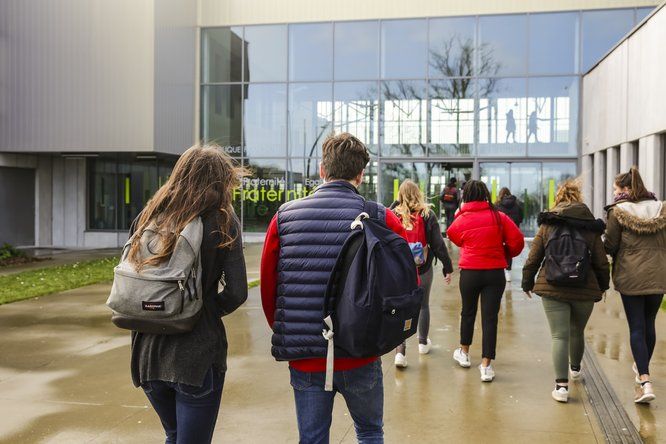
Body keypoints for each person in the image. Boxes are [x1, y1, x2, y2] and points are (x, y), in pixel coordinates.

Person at [260, 132, 410, 443]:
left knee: (312, 438)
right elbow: (405, 286)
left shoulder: (285, 217)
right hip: (362, 352)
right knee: (369, 432)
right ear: (360, 174)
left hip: (307, 354)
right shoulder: (382, 217)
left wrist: (291, 329)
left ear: (321, 170)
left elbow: (268, 287)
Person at [128, 145, 248, 443]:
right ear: (221, 181)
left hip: (147, 353)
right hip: (196, 353)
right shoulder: (222, 219)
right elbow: (237, 292)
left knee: (173, 435)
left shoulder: (151, 214)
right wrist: (197, 308)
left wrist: (164, 308)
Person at [521, 179, 609, 403]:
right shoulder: (590, 227)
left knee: (559, 335)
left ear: (558, 199)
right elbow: (600, 262)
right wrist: (603, 285)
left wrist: (527, 282)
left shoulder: (548, 224)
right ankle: (576, 369)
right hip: (584, 288)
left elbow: (533, 258)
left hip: (552, 286)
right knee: (576, 331)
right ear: (579, 200)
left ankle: (561, 387)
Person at [446, 180, 524, 382]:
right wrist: (505, 251)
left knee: (467, 312)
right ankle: (486, 366)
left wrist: (468, 242)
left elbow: (452, 234)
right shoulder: (499, 216)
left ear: (467, 196)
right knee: (490, 318)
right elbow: (518, 241)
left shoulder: (462, 217)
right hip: (495, 273)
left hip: (470, 272)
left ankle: (464, 353)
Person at [604, 167, 666, 404]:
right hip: (659, 276)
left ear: (626, 190)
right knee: (648, 325)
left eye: (616, 189)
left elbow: (610, 245)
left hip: (631, 277)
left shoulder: (618, 212)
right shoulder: (660, 209)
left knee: (637, 328)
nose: (614, 193)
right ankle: (642, 369)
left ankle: (645, 381)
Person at [392, 180, 454, 368]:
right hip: (423, 268)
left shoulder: (394, 214)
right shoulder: (428, 214)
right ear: (418, 193)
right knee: (423, 305)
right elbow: (438, 244)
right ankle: (422, 343)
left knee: (400, 309)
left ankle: (400, 353)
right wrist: (447, 266)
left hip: (400, 269)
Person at [495, 187, 524, 282]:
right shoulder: (517, 204)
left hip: (500, 230)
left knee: (498, 249)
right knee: (508, 250)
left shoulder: (497, 205)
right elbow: (521, 218)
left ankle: (498, 269)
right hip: (513, 230)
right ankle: (508, 272)